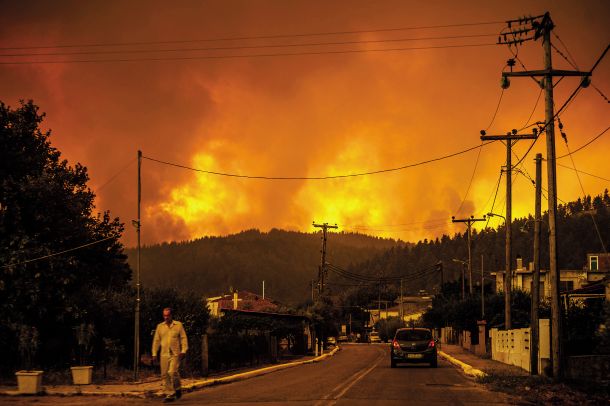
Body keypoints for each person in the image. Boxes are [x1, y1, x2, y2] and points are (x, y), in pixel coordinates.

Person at [152, 307, 188, 402]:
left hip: (175, 354)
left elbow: (183, 338)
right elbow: (156, 341)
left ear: (171, 315)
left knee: (172, 372)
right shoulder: (160, 326)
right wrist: (154, 353)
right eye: (164, 315)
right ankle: (170, 394)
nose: (166, 317)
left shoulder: (178, 325)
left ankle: (177, 388)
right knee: (164, 375)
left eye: (168, 315)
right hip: (164, 354)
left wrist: (184, 350)